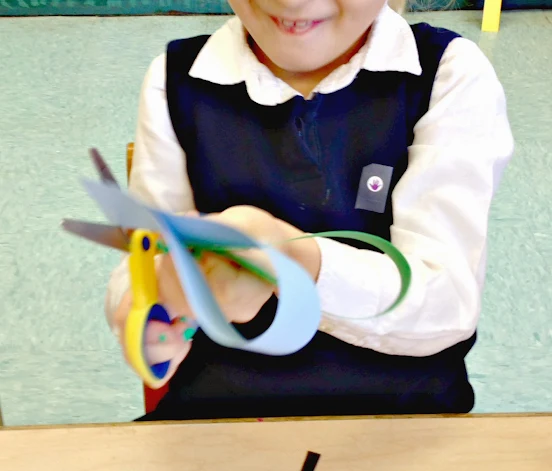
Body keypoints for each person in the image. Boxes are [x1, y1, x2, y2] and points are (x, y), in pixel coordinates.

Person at [105, 0, 514, 421]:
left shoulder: (449, 73)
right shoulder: (174, 79)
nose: (292, 2)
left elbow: (447, 304)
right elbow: (137, 269)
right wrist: (159, 297)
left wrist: (296, 263)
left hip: (406, 420)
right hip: (220, 417)